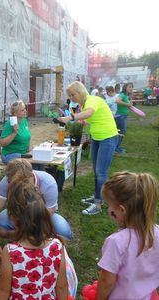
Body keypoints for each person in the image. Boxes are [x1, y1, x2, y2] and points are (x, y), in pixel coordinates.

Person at [0, 180, 68, 299]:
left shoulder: (11, 252)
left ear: (13, 218)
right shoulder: (57, 246)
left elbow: (3, 290)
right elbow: (62, 286)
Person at [0, 158, 72, 257]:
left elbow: (47, 214)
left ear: (32, 176)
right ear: (9, 180)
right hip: (18, 214)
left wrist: (18, 232)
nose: (20, 186)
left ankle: (24, 239)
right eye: (15, 184)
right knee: (0, 225)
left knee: (63, 232)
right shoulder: (6, 181)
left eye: (23, 182)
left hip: (42, 215)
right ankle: (30, 240)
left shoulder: (48, 183)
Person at [58, 81, 118, 216]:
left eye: (72, 95)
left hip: (107, 138)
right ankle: (98, 196)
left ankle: (97, 204)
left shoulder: (92, 100)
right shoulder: (83, 105)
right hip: (97, 138)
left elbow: (89, 113)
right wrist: (79, 121)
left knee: (101, 172)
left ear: (80, 92)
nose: (71, 98)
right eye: (70, 95)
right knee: (97, 170)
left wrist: (71, 117)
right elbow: (89, 118)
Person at [97, 171, 159, 300]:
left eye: (109, 206)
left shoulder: (116, 242)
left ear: (122, 210)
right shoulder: (157, 233)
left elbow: (106, 281)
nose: (109, 210)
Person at [0, 100, 31, 164]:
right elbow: (2, 143)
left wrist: (28, 149)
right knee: (28, 165)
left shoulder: (24, 121)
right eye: (22, 110)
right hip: (9, 155)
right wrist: (14, 132)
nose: (25, 111)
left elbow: (27, 137)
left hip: (24, 153)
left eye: (25, 109)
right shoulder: (10, 124)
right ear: (15, 113)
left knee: (38, 164)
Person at [115, 82, 133, 154]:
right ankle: (116, 148)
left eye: (132, 87)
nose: (131, 88)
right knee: (121, 132)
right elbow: (117, 101)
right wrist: (127, 104)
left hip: (123, 116)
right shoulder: (122, 94)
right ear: (125, 87)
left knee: (121, 132)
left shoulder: (125, 96)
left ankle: (116, 147)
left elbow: (125, 105)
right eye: (130, 87)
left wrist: (129, 105)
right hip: (120, 116)